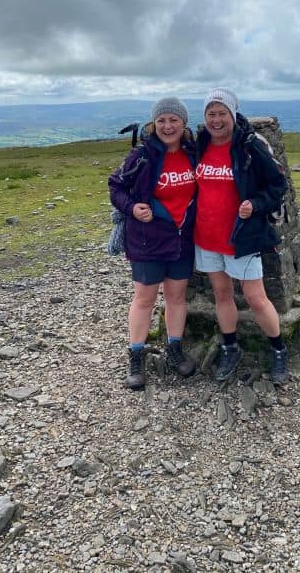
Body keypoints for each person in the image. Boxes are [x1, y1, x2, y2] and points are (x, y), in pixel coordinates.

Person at [194, 88, 290, 385]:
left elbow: (277, 185)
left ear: (233, 114)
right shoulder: (200, 144)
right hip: (206, 237)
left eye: (222, 113)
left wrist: (255, 204)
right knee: (222, 294)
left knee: (255, 298)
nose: (216, 119)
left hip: (242, 238)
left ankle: (278, 350)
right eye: (211, 113)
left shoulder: (249, 146)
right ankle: (230, 347)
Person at [109, 97, 197, 390]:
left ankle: (174, 351)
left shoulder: (193, 153)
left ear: (183, 123)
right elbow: (116, 187)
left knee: (176, 298)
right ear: (153, 123)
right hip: (147, 240)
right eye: (162, 120)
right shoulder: (142, 155)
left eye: (173, 120)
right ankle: (136, 356)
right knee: (144, 299)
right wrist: (132, 208)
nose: (167, 126)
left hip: (183, 239)